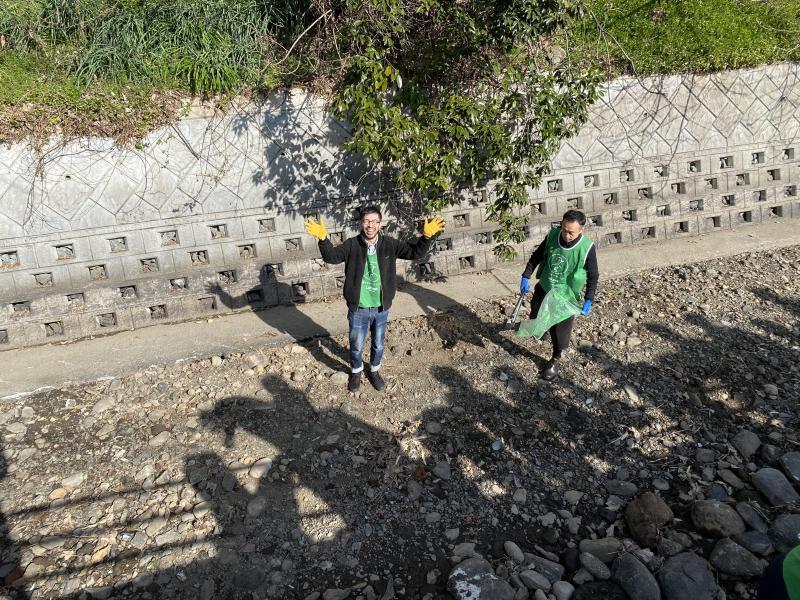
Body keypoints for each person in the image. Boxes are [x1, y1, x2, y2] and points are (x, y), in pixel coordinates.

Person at [304, 206, 445, 392]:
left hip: (381, 307)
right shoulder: (352, 245)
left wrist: (426, 238)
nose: (370, 225)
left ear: (380, 224)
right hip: (359, 307)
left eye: (374, 221)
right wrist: (323, 239)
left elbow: (414, 253)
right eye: (366, 221)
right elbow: (332, 257)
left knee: (378, 344)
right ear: (361, 223)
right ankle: (356, 371)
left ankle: (375, 370)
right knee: (356, 345)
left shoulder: (389, 244)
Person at [519, 209, 599, 381]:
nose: (566, 235)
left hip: (566, 296)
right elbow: (537, 256)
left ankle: (555, 358)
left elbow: (593, 275)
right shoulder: (552, 237)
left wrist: (589, 298)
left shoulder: (586, 248)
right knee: (535, 312)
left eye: (571, 232)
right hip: (546, 286)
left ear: (581, 230)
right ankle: (544, 327)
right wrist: (526, 275)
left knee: (560, 330)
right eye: (564, 230)